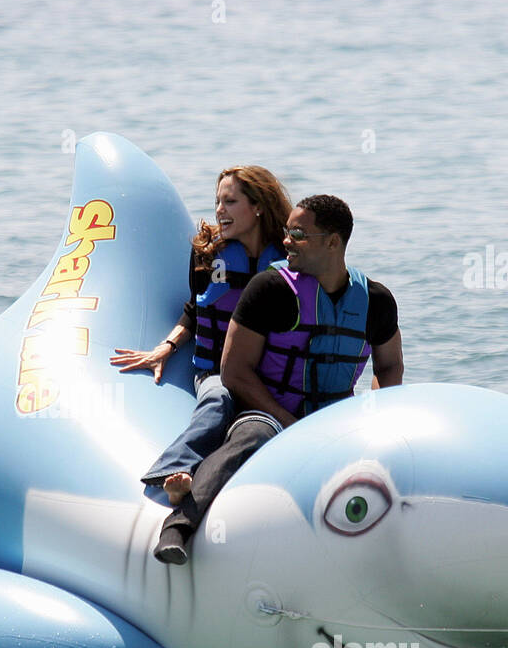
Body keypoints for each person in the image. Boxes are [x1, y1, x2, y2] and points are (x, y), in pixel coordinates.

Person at [153, 194, 404, 564]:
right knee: (251, 437)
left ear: (333, 242)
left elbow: (389, 366)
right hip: (267, 412)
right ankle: (178, 525)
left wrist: (372, 416)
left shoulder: (376, 301)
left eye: (299, 234)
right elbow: (234, 371)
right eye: (287, 232)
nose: (286, 241)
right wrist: (289, 424)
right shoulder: (269, 290)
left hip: (335, 419)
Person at [111, 166, 292, 503]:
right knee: (219, 399)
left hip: (268, 375)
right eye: (217, 201)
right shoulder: (209, 253)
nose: (219, 210)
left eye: (230, 201)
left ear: (258, 207)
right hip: (217, 370)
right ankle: (170, 473)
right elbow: (196, 309)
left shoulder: (287, 259)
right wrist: (166, 347)